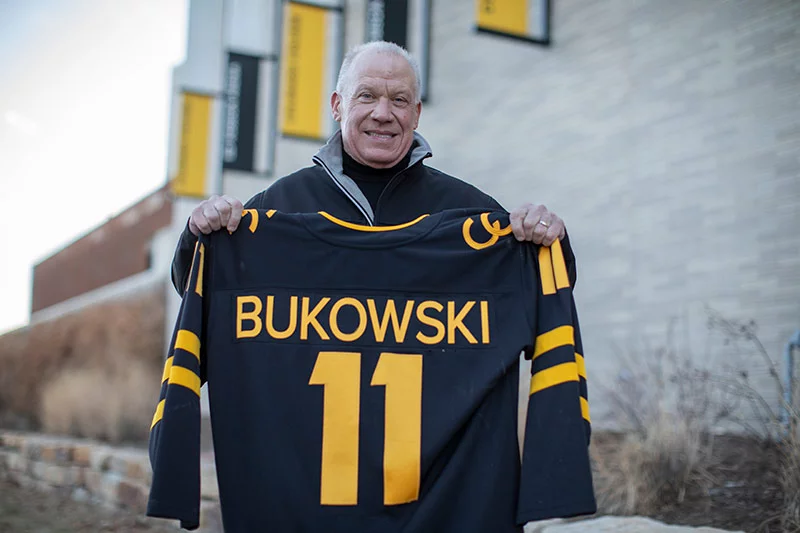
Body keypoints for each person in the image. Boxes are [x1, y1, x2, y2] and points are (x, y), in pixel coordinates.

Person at [170, 40, 575, 294]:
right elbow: (199, 288)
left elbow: (544, 288)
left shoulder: (469, 211)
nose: (383, 113)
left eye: (399, 100)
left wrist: (547, 238)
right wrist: (198, 233)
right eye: (366, 96)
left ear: (416, 114)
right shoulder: (278, 206)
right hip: (310, 432)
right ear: (337, 106)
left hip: (430, 434)